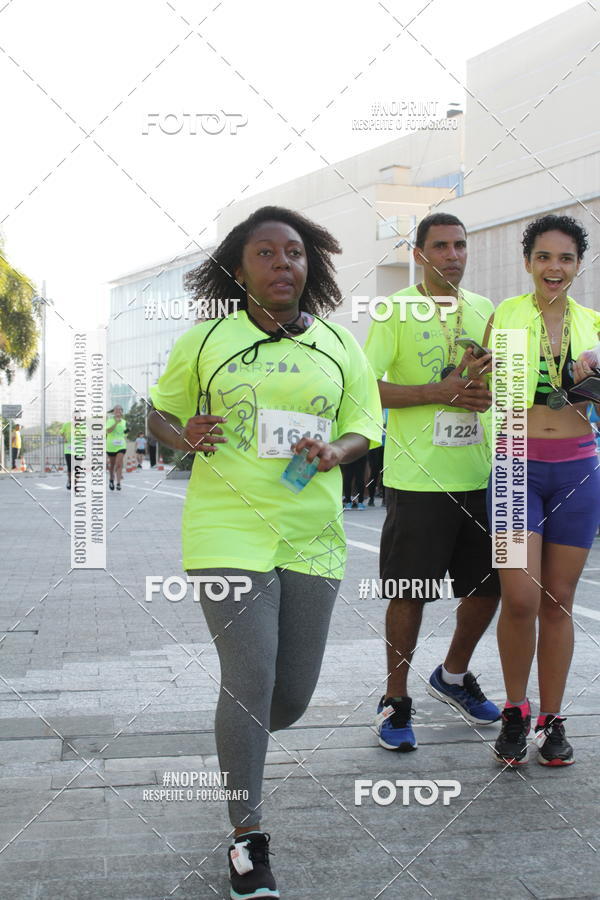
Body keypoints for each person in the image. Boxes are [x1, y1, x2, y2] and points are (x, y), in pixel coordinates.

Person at [148, 206, 382, 899]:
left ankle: (237, 746)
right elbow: (159, 415)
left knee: (289, 699)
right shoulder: (206, 341)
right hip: (227, 529)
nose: (284, 264)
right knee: (248, 681)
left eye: (296, 253)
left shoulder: (342, 346)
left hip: (312, 534)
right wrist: (181, 434)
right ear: (239, 267)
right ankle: (248, 840)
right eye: (267, 253)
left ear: (312, 267)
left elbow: (363, 424)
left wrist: (335, 449)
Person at [363, 212, 501, 753]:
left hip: (481, 473)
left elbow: (494, 383)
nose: (453, 255)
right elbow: (366, 387)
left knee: (490, 589)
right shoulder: (395, 310)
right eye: (440, 246)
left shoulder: (486, 310)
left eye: (460, 245)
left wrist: (485, 385)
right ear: (419, 254)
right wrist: (436, 391)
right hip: (417, 478)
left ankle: (453, 674)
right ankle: (395, 700)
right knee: (410, 592)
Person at [486, 215, 600, 767]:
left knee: (558, 603)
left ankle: (552, 721)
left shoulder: (594, 325)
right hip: (514, 468)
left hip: (577, 468)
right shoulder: (505, 315)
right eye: (544, 257)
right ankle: (514, 710)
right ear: (528, 261)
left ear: (579, 265)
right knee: (520, 598)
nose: (555, 268)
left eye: (566, 259)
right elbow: (492, 391)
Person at [367, 408, 387, 506]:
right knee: (373, 472)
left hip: (386, 446)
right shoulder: (374, 409)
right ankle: (371, 498)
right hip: (375, 445)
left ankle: (385, 498)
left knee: (385, 472)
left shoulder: (389, 411)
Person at [106, 406, 128, 490]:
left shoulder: (124, 422)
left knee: (119, 463)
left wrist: (127, 431)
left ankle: (118, 483)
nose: (118, 411)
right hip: (111, 446)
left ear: (122, 412)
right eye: (116, 410)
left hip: (121, 445)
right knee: (112, 465)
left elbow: (125, 433)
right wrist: (116, 423)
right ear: (114, 412)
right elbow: (108, 431)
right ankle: (111, 479)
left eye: (120, 410)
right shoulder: (110, 421)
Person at [60, 420, 72, 489]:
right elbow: (61, 432)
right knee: (70, 466)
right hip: (68, 449)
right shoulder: (67, 424)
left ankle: (76, 483)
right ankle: (70, 480)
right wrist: (64, 438)